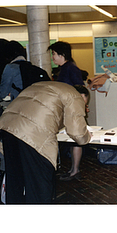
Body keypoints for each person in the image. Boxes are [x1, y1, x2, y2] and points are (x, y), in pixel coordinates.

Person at [0, 81, 91, 204]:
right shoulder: (74, 96)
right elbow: (78, 134)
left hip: (8, 129)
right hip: (32, 136)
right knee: (39, 186)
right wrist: (88, 137)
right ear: (81, 96)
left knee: (15, 182)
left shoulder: (47, 86)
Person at [48, 41, 86, 181]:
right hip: (68, 109)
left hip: (72, 110)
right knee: (71, 139)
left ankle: (75, 170)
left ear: (62, 54)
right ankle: (73, 169)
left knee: (75, 138)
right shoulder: (65, 68)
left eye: (54, 54)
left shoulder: (70, 68)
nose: (53, 57)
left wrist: (79, 108)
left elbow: (81, 90)